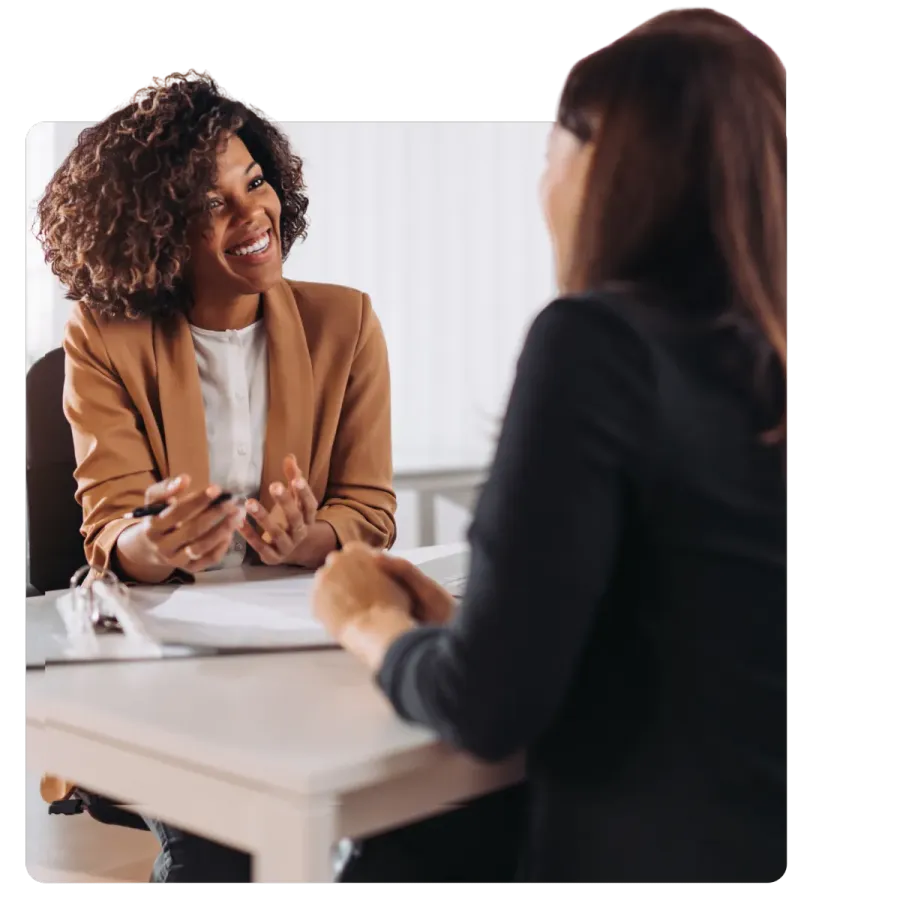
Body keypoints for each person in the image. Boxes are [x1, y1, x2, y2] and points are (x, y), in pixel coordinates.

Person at [312, 8, 790, 886]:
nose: (543, 186)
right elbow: (708, 638)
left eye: (549, 154)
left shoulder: (595, 343)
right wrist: (480, 628)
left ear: (606, 164)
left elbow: (484, 706)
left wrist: (367, 623)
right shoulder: (763, 363)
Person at [34, 70, 397, 885]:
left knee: (393, 831)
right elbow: (108, 531)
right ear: (155, 227)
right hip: (168, 665)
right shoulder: (106, 336)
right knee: (217, 851)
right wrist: (156, 543)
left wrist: (316, 537)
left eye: (255, 182)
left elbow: (371, 506)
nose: (251, 216)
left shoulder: (348, 322)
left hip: (303, 656)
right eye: (211, 202)